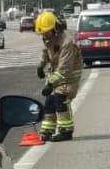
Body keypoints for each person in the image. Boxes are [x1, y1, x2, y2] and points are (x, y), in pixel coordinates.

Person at [34, 10, 83, 141]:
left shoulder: (67, 43)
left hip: (68, 79)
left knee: (60, 99)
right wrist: (40, 65)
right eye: (42, 33)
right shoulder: (49, 39)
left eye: (47, 32)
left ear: (55, 28)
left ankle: (66, 131)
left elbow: (65, 69)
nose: (44, 35)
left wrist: (50, 84)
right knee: (49, 101)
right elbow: (45, 52)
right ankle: (47, 130)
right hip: (57, 78)